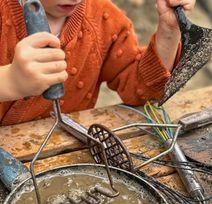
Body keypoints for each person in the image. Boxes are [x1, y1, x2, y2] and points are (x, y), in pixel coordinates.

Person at [0, 0, 195, 125]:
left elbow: (141, 92)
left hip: (60, 151)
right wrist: (10, 82)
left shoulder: (105, 22)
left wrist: (169, 31)